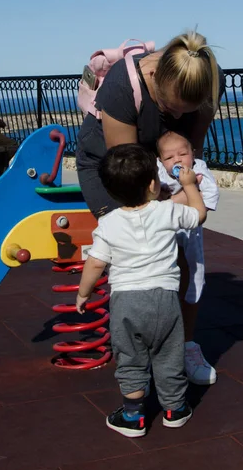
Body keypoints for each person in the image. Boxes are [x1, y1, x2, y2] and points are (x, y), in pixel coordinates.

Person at [76, 30, 225, 385]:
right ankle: (134, 345)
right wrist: (167, 208)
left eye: (183, 111)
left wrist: (186, 193)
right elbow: (127, 173)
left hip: (163, 169)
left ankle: (184, 344)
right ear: (157, 77)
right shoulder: (121, 87)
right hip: (115, 167)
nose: (175, 116)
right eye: (170, 107)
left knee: (184, 255)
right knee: (135, 250)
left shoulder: (206, 85)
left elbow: (193, 152)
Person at [75, 144, 207, 438]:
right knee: (168, 354)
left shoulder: (107, 224)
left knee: (130, 357)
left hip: (125, 303)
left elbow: (96, 263)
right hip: (164, 299)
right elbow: (198, 215)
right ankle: (174, 410)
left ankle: (134, 417)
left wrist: (83, 293)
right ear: (152, 184)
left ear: (111, 192)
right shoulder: (167, 211)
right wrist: (188, 185)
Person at [157, 130, 219, 384]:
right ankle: (162, 346)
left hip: (190, 232)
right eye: (170, 157)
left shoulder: (200, 169)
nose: (178, 160)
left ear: (193, 154)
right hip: (164, 235)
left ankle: (188, 344)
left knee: (193, 276)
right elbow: (152, 203)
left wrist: (177, 195)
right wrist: (187, 194)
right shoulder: (157, 172)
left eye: (183, 153)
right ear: (161, 161)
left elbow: (209, 199)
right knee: (163, 281)